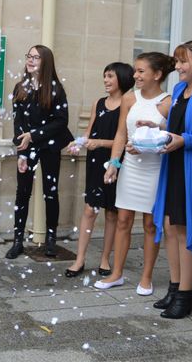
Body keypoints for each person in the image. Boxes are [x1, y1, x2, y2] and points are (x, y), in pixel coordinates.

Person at [95, 52, 175, 294]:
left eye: (141, 71)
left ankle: (146, 278)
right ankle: (116, 273)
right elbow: (121, 134)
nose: (135, 75)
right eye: (135, 70)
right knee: (122, 220)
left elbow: (169, 139)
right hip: (130, 167)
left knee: (151, 224)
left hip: (154, 168)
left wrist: (150, 146)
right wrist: (114, 164)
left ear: (157, 74)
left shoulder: (169, 101)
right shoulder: (129, 98)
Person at [152, 40, 192, 318]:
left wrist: (185, 140)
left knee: (185, 228)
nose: (178, 67)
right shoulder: (177, 90)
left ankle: (186, 294)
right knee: (169, 225)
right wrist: (154, 129)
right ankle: (175, 286)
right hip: (173, 163)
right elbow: (174, 125)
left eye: (183, 61)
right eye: (177, 61)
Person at [65, 62, 134, 278]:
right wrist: (78, 143)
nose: (105, 80)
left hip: (115, 162)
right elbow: (89, 131)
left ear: (121, 78)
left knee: (112, 213)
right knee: (89, 210)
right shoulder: (99, 102)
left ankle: (105, 259)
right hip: (95, 161)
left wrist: (101, 143)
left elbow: (126, 138)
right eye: (104, 76)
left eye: (110, 76)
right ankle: (79, 259)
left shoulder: (129, 102)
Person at [6, 45, 74, 259]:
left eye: (36, 57)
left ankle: (51, 240)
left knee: (50, 192)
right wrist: (22, 153)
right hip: (27, 148)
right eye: (29, 56)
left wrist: (33, 135)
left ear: (46, 62)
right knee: (22, 193)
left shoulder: (55, 89)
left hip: (50, 146)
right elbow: (18, 123)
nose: (31, 60)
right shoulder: (20, 88)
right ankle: (18, 241)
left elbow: (61, 122)